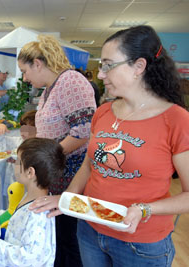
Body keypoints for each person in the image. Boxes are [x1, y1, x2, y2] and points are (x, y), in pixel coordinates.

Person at [30, 25, 189, 266]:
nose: (101, 74)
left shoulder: (176, 120)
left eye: (108, 65)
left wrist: (145, 209)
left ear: (139, 67)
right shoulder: (104, 112)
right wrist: (67, 197)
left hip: (141, 244)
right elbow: (89, 165)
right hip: (90, 231)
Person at [16, 34, 96, 267]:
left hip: (73, 175)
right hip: (58, 173)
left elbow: (83, 131)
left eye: (25, 70)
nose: (24, 77)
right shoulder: (51, 87)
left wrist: (46, 156)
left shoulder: (71, 81)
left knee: (70, 240)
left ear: (38, 64)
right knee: (59, 237)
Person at [0, 138, 66, 267]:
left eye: (18, 161)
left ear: (30, 172)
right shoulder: (32, 197)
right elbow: (17, 221)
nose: (14, 164)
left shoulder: (38, 214)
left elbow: (30, 259)